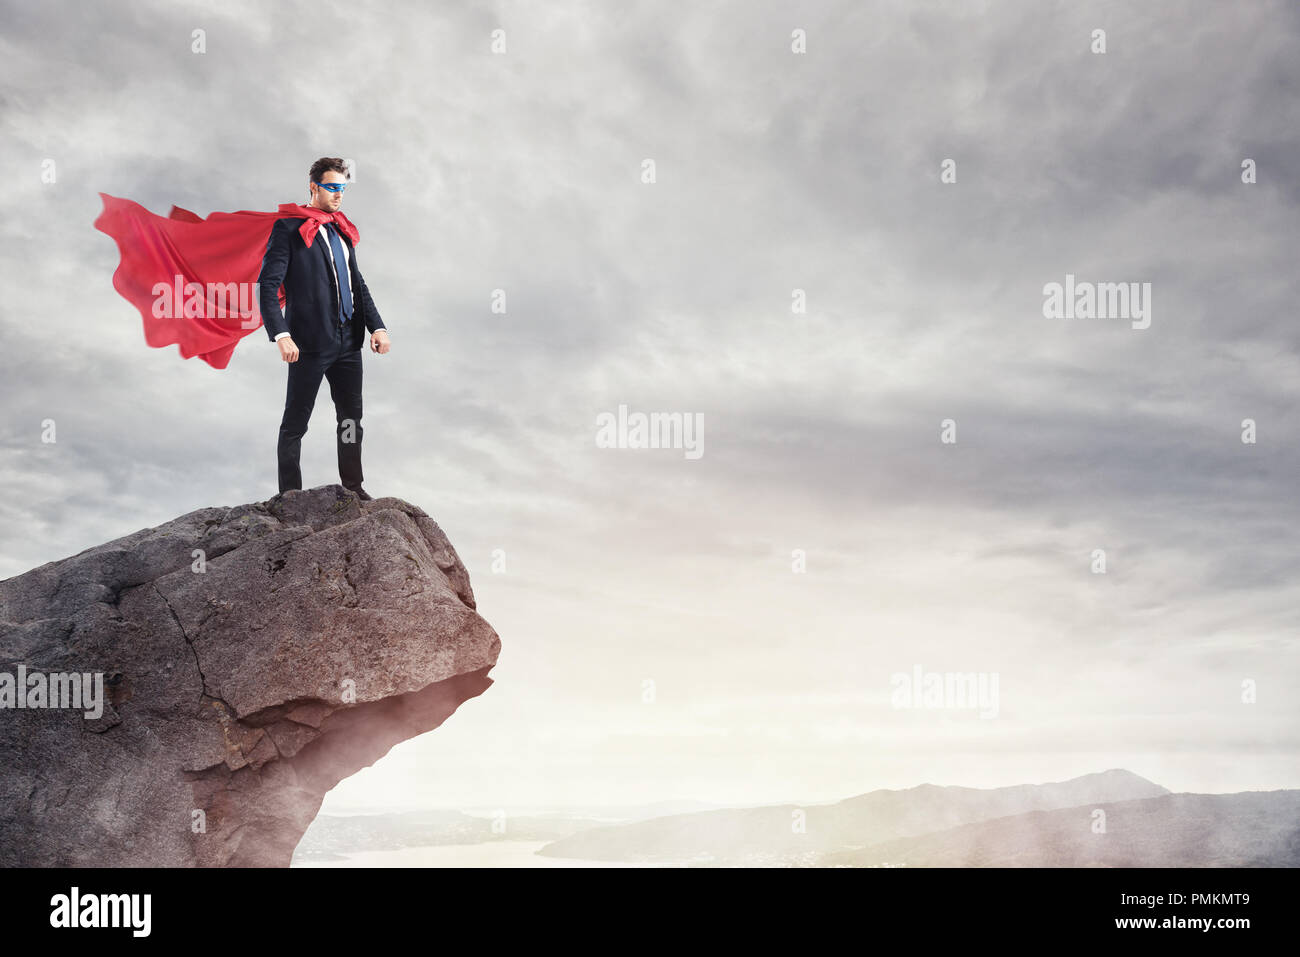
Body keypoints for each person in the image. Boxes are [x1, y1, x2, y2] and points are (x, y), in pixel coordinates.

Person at [257, 157, 391, 500]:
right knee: (295, 424)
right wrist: (281, 334)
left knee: (350, 420)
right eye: (332, 187)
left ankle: (354, 488)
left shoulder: (341, 229)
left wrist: (377, 327)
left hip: (349, 341)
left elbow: (356, 283)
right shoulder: (288, 228)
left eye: (343, 189)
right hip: (308, 343)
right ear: (314, 186)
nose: (338, 195)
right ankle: (290, 498)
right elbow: (268, 285)